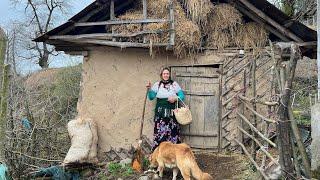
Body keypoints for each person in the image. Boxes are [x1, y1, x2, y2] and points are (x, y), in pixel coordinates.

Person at [146, 67, 185, 151]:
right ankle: (159, 154)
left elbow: (182, 96)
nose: (166, 75)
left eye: (167, 73)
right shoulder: (157, 85)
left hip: (172, 114)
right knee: (160, 134)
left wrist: (175, 98)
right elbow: (151, 97)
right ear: (161, 75)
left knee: (173, 133)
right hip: (160, 115)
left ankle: (173, 154)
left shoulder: (174, 84)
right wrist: (149, 89)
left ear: (169, 74)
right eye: (164, 74)